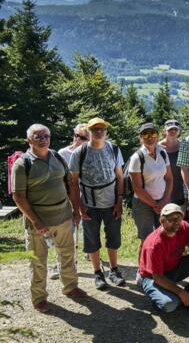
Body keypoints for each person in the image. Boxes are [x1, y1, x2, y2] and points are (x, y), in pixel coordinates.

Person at [12, 124, 87, 313]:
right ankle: (39, 297)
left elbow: (70, 183)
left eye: (46, 136)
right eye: (38, 136)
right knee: (38, 260)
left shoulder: (57, 156)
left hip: (63, 216)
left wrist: (75, 210)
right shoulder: (22, 164)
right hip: (39, 222)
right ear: (29, 140)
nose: (43, 139)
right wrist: (36, 221)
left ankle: (70, 286)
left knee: (67, 253)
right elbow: (18, 196)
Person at [69, 117, 126, 290]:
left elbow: (120, 177)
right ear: (89, 132)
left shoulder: (114, 149)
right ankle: (97, 273)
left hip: (111, 202)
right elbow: (73, 182)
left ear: (106, 132)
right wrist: (79, 207)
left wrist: (119, 201)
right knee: (92, 240)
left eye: (102, 129)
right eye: (95, 129)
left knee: (113, 238)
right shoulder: (79, 153)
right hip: (89, 204)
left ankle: (114, 270)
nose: (99, 132)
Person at [138, 203, 189, 314]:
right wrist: (181, 292)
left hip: (172, 270)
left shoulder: (184, 226)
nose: (177, 222)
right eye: (171, 219)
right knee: (169, 305)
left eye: (179, 218)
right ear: (162, 221)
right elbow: (157, 277)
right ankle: (167, 298)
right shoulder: (154, 244)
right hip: (152, 278)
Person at [128, 123, 173, 282]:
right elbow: (137, 188)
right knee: (146, 239)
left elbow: (169, 178)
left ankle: (161, 269)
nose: (149, 137)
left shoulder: (162, 153)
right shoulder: (137, 158)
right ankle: (142, 272)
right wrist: (155, 205)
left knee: (165, 236)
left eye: (152, 134)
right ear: (140, 138)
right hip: (143, 204)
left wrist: (165, 200)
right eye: (145, 134)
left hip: (162, 202)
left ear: (157, 135)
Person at [49, 122, 89, 280]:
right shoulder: (62, 153)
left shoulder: (90, 153)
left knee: (88, 225)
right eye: (78, 136)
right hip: (67, 194)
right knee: (66, 230)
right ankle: (60, 263)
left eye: (85, 138)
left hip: (86, 194)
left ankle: (90, 251)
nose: (79, 140)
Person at [159, 119, 185, 207]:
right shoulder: (157, 148)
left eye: (175, 129)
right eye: (170, 129)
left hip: (181, 191)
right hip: (162, 192)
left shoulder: (184, 146)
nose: (173, 131)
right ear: (164, 131)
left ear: (179, 131)